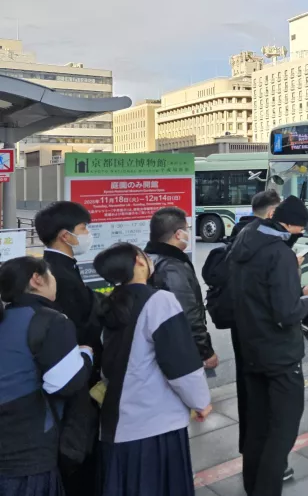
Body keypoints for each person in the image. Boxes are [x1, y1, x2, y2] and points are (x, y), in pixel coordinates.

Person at [93, 243, 212, 496]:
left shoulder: (111, 302)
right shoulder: (159, 300)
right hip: (154, 425)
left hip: (117, 421)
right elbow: (180, 363)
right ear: (139, 260)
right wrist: (200, 401)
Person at [228, 195, 308, 496]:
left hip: (250, 349)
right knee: (282, 432)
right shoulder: (279, 255)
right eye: (298, 230)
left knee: (257, 425)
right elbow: (287, 313)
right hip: (280, 354)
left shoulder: (244, 240)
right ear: (290, 225)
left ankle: (252, 485)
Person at [0, 257, 94, 496]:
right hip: (29, 452)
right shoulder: (49, 320)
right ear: (37, 278)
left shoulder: (8, 317)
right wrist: (86, 356)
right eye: (50, 275)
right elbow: (65, 384)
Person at [145, 207, 216, 369]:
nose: (188, 234)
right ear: (178, 234)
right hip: (179, 350)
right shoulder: (172, 267)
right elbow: (188, 313)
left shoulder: (149, 258)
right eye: (187, 229)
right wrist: (205, 351)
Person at [34, 201, 100, 353]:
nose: (88, 234)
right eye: (83, 228)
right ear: (65, 236)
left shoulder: (59, 265)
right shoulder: (57, 275)